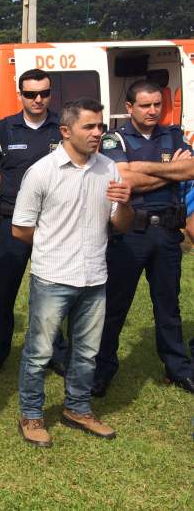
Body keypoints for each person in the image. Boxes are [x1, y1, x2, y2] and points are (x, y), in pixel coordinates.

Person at [12, 98, 133, 447]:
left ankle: (78, 408)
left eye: (101, 127)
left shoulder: (109, 168)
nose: (98, 133)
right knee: (39, 351)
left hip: (95, 276)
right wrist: (55, 246)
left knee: (86, 352)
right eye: (89, 127)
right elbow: (20, 229)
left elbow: (120, 225)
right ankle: (31, 415)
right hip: (53, 277)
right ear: (66, 131)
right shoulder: (42, 172)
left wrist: (125, 202)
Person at [95, 80, 194, 395]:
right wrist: (170, 169)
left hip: (167, 232)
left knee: (168, 304)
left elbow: (191, 170)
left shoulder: (173, 134)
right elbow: (123, 178)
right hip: (129, 233)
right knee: (114, 305)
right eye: (145, 105)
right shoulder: (115, 139)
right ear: (129, 108)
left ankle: (178, 367)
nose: (153, 111)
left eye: (157, 105)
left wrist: (145, 168)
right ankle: (102, 369)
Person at [0, 68, 68, 378]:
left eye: (44, 93)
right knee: (4, 291)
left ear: (50, 94)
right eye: (31, 94)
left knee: (53, 291)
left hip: (55, 224)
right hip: (13, 222)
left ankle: (56, 352)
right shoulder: (3, 130)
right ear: (21, 95)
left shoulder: (64, 128)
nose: (38, 99)